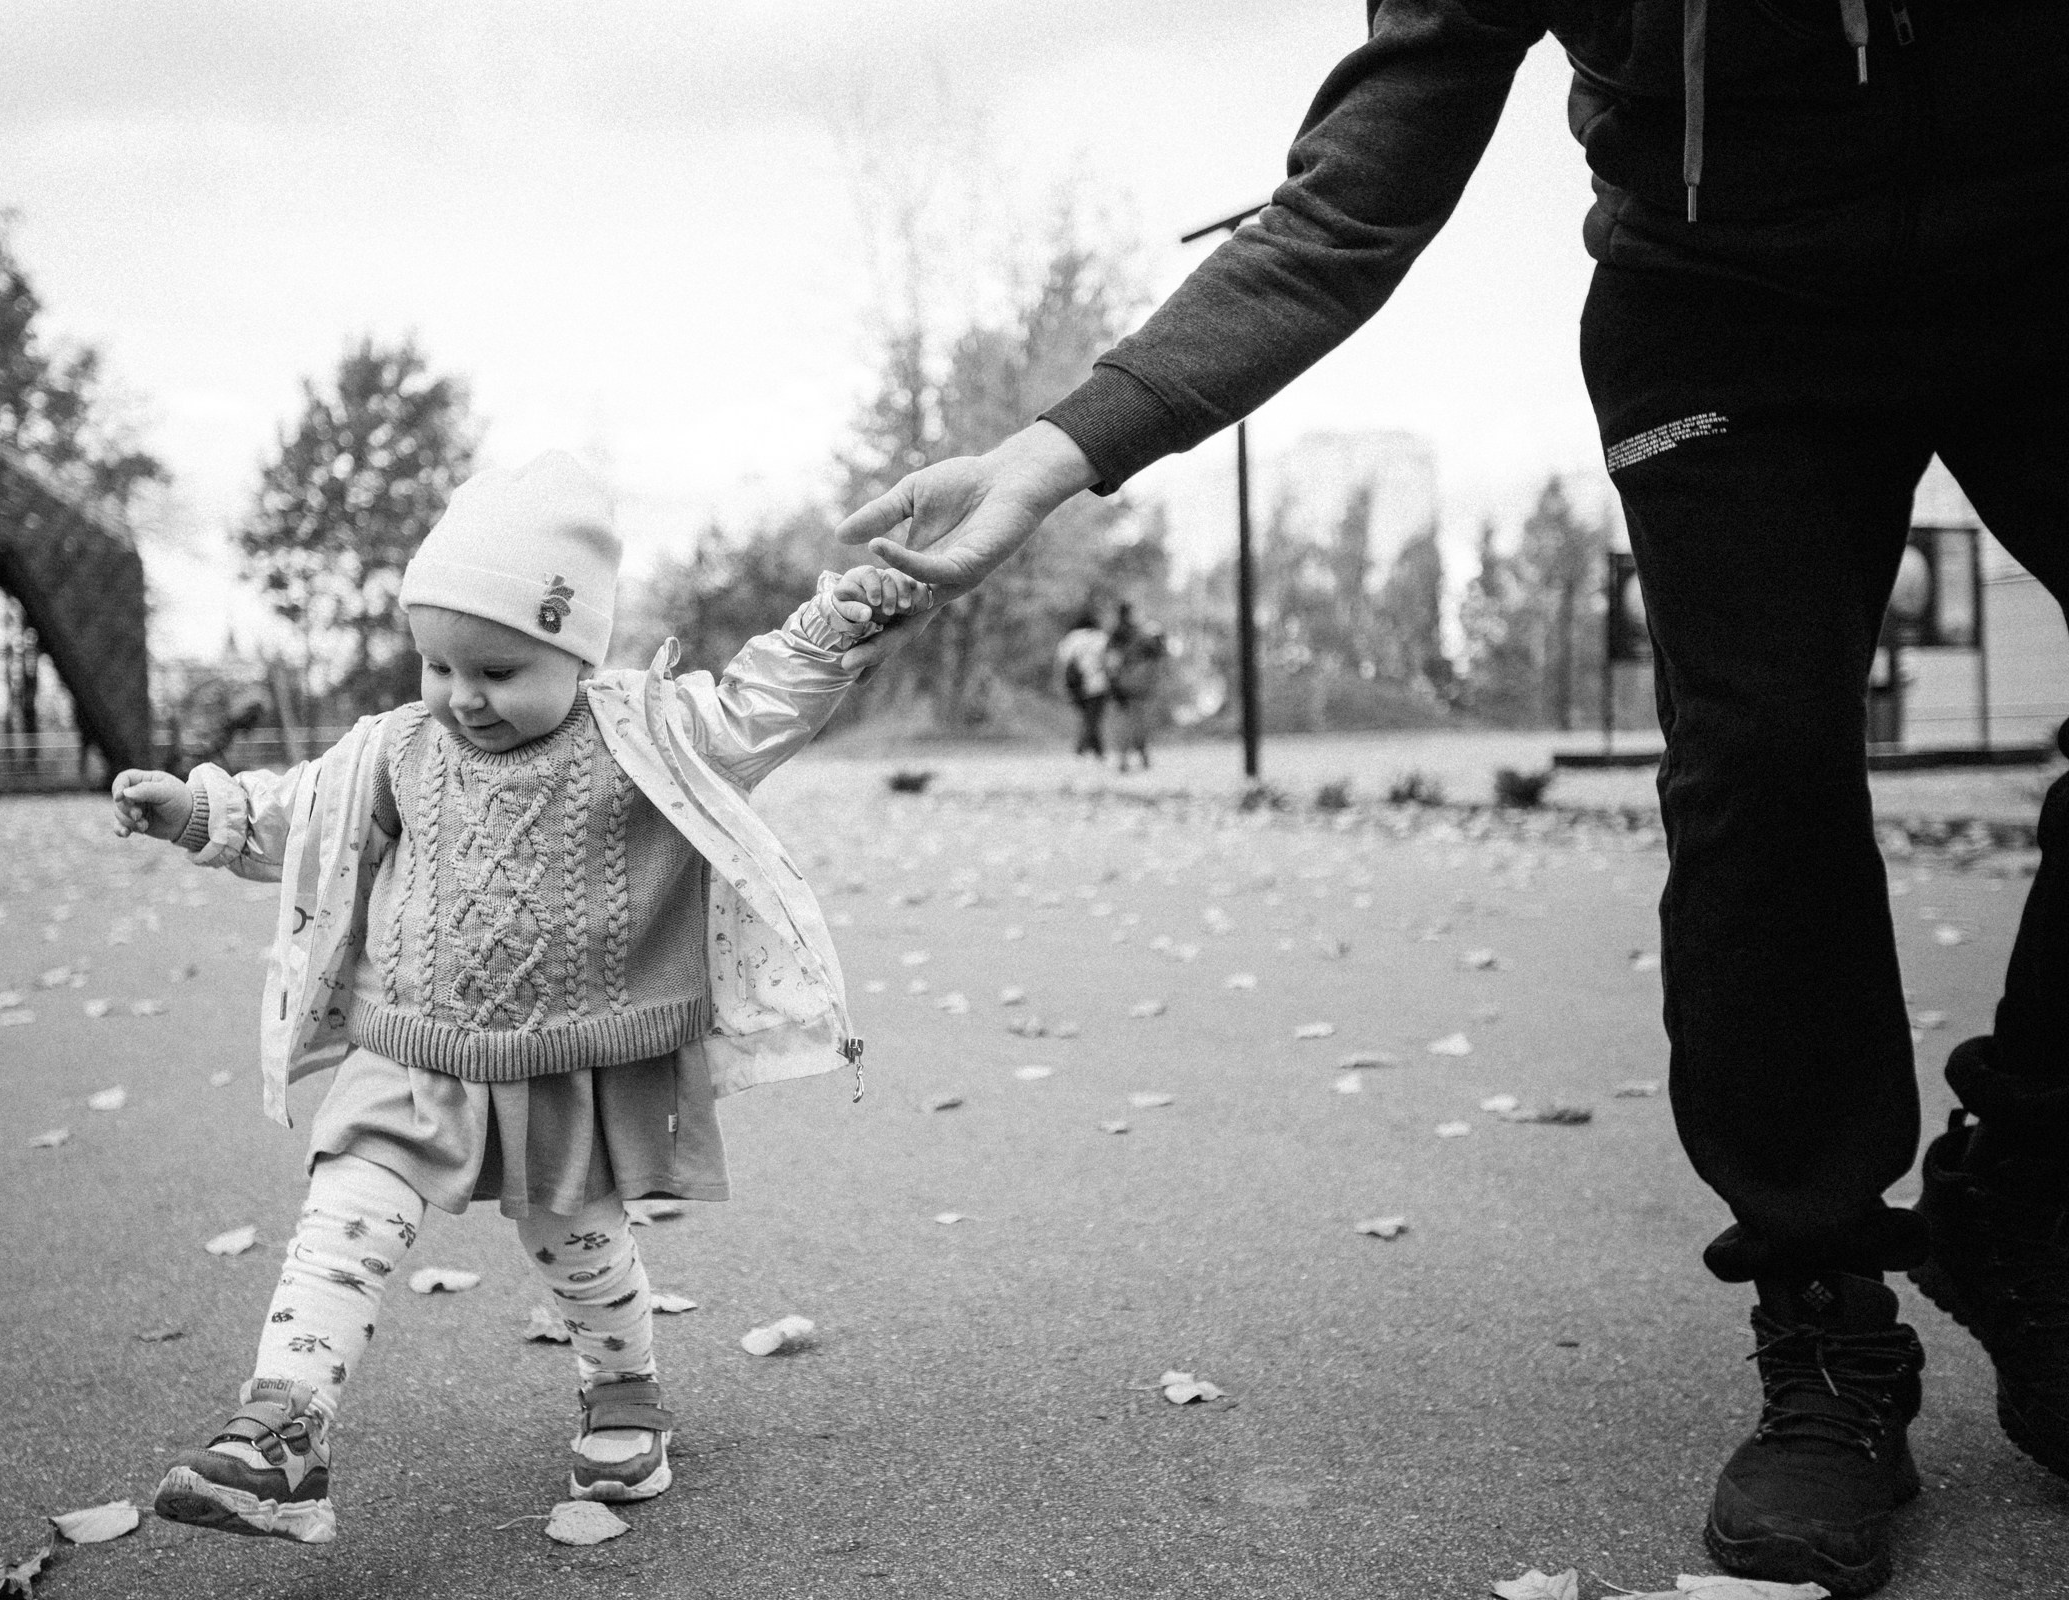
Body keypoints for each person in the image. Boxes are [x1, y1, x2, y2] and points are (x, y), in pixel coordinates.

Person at [834, 6, 2069, 1593]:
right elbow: (1353, 198)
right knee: (1763, 765)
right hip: (1724, 303)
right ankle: (1822, 1328)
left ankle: (2027, 1184)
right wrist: (1078, 438)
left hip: (2040, 251)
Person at [109, 452, 929, 1544]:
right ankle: (281, 1427)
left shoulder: (640, 731)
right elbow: (299, 816)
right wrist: (194, 810)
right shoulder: (397, 749)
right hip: (410, 1049)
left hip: (564, 1061)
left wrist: (830, 629)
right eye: (437, 665)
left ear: (572, 649)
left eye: (496, 669)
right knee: (343, 1220)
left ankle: (625, 1387)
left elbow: (750, 712)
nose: (461, 695)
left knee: (578, 1245)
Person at [1105, 601, 1167, 773]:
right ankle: (1141, 755)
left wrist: (1113, 680)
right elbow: (1159, 653)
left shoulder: (1117, 635)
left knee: (1125, 720)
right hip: (1139, 683)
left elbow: (1111, 661)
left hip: (1123, 683)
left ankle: (1126, 758)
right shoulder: (1143, 634)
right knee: (1138, 719)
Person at [1054, 609, 1113, 759]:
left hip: (1076, 685)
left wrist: (1062, 683)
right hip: (1098, 683)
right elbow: (1110, 661)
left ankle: (1095, 750)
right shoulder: (1101, 638)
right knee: (1093, 717)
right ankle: (1083, 749)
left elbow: (1062, 662)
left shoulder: (1072, 638)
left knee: (1087, 716)